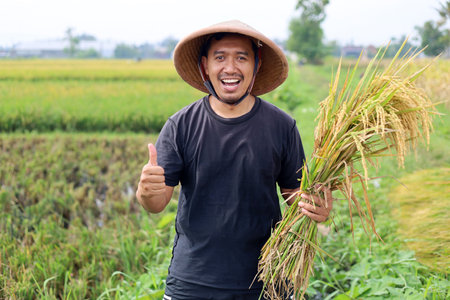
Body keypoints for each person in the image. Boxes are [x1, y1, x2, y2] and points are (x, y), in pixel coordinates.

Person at [136, 20, 333, 300]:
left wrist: (316, 207)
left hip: (266, 282)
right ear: (205, 66)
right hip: (193, 284)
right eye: (220, 58)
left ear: (257, 65)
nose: (230, 68)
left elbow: (295, 196)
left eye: (241, 57)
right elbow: (156, 204)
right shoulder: (181, 125)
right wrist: (146, 192)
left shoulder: (281, 126)